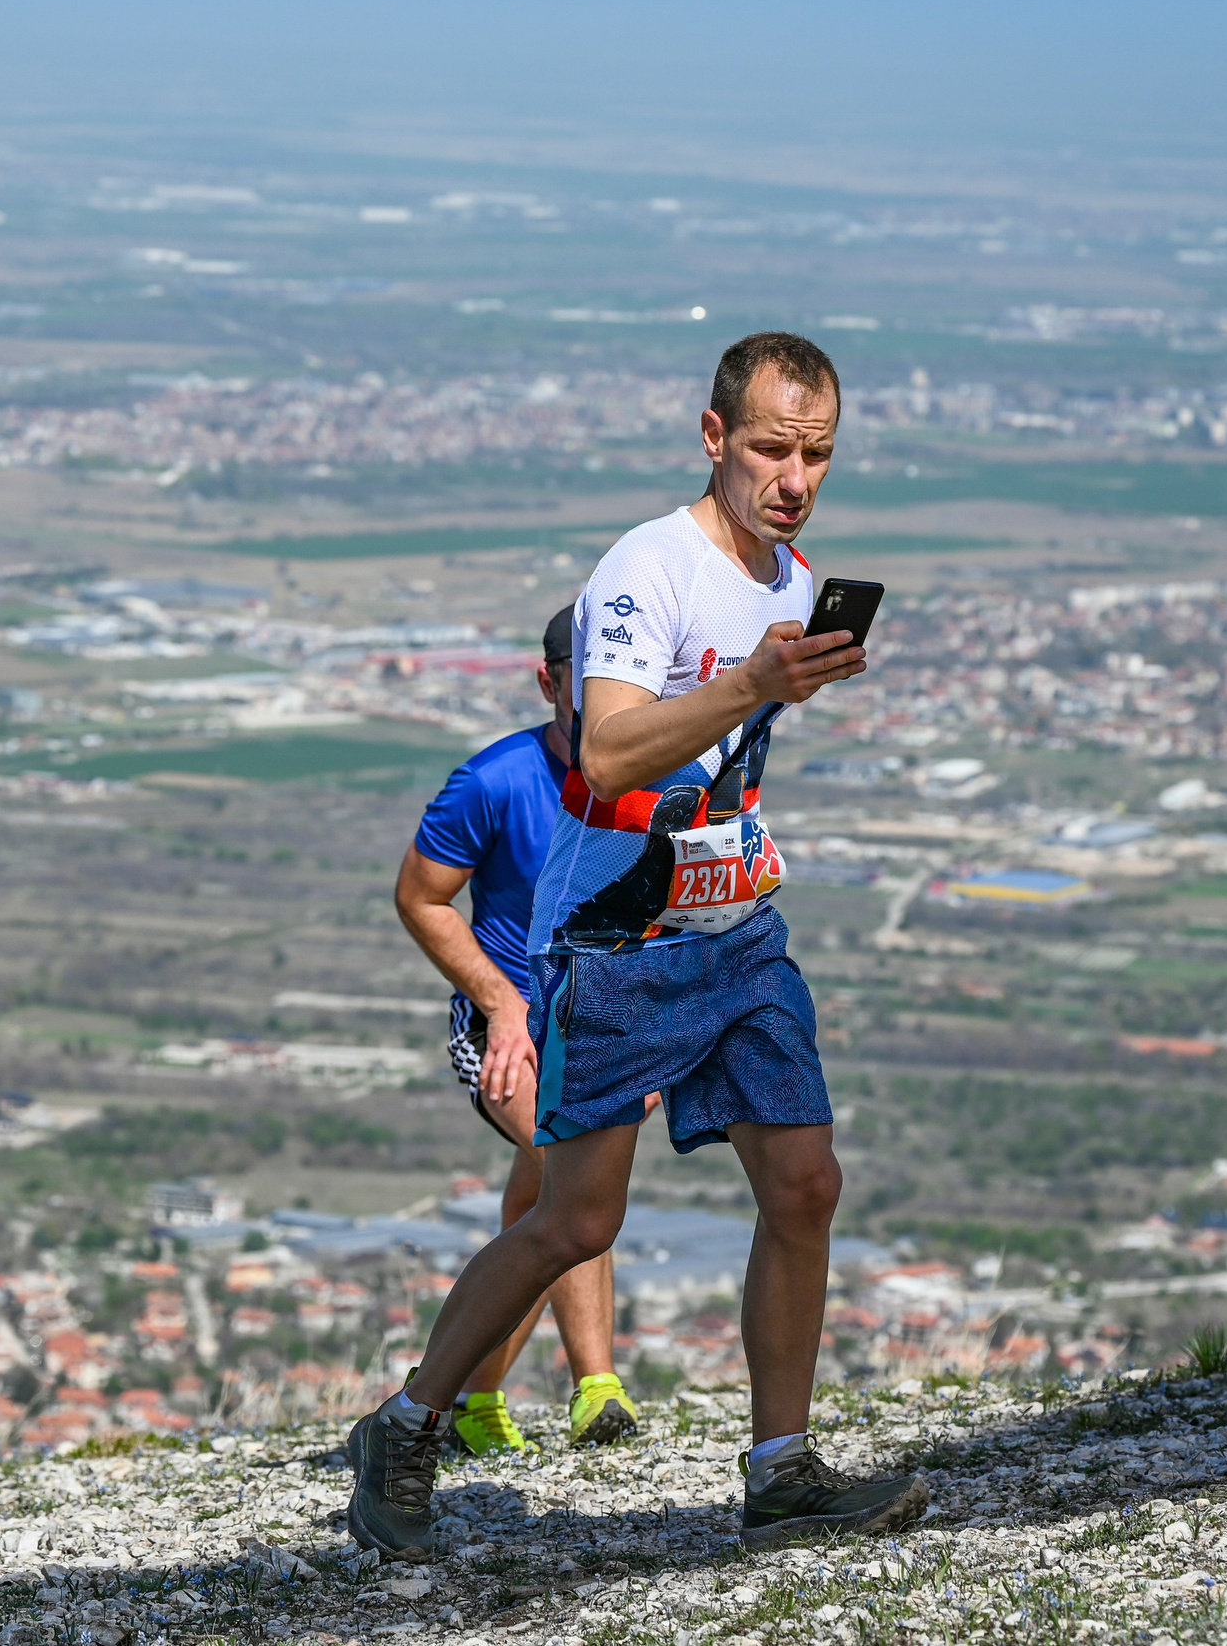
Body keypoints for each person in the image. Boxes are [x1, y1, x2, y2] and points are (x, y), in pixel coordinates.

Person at [348, 332, 925, 1555]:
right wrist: (757, 680)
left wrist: (782, 679)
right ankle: (403, 1424)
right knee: (575, 1223)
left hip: (736, 926)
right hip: (616, 941)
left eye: (817, 453)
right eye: (771, 447)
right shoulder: (643, 572)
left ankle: (779, 1463)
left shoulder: (788, 576)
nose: (794, 476)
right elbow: (605, 751)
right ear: (714, 436)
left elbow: (723, 747)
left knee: (806, 1181)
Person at [394, 606, 638, 1456]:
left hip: (601, 1023)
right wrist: (500, 1004)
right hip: (505, 1025)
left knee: (540, 1196)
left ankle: (476, 1396)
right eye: (586, 678)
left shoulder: (653, 778)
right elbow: (421, 898)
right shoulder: (493, 780)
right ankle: (596, 1386)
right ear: (550, 682)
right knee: (570, 1169)